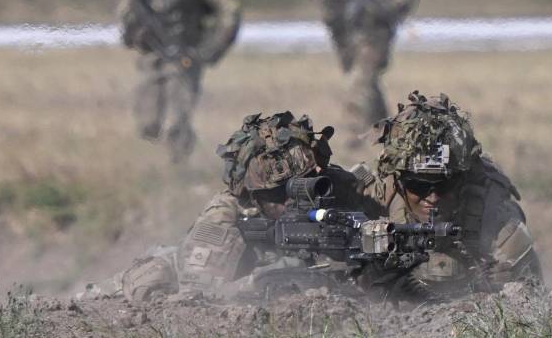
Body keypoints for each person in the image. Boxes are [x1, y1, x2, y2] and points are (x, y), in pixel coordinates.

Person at [111, 111, 383, 302]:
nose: (292, 200)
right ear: (252, 195)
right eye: (277, 193)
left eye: (305, 185)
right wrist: (262, 283)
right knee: (149, 279)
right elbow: (195, 298)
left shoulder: (334, 187)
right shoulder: (226, 215)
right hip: (182, 272)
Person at [362, 91, 542, 297]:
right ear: (397, 182)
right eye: (418, 186)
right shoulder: (372, 200)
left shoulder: (494, 223)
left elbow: (532, 300)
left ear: (463, 181)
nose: (433, 198)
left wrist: (493, 285)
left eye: (444, 185)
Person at [118, 0, 242, 163]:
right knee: (147, 121)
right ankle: (151, 166)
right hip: (151, 54)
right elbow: (128, 6)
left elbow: (229, 9)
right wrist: (132, 33)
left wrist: (210, 50)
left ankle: (178, 169)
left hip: (185, 55)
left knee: (178, 119)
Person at [308, 0, 416, 143]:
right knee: (364, 82)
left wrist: (392, 6)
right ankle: (387, 130)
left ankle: (354, 135)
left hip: (375, 30)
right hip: (344, 31)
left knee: (359, 81)